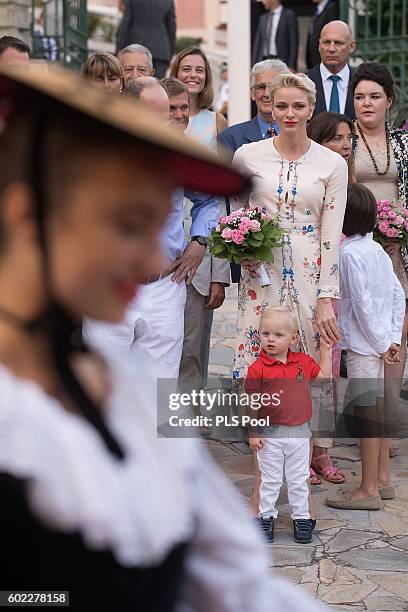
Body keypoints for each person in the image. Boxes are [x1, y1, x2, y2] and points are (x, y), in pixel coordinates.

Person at [0, 63, 327, 610]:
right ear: (27, 216)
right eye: (127, 223)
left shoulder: (124, 394)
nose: (155, 256)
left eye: (157, 227)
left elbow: (241, 587)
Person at [231, 73, 348, 494]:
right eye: (281, 105)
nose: (289, 114)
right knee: (259, 363)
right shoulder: (246, 155)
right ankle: (265, 467)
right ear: (269, 107)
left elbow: (331, 235)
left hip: (309, 270)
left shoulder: (333, 163)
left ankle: (312, 459)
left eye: (298, 106)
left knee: (310, 366)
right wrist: (240, 251)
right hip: (260, 276)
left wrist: (326, 298)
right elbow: (235, 215)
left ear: (310, 108)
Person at [84, 77, 218, 381]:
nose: (166, 122)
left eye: (167, 115)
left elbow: (208, 200)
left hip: (165, 285)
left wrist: (199, 241)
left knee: (160, 387)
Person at [327, 184, 405, 510]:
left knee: (366, 417)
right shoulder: (377, 251)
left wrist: (379, 342)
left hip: (363, 347)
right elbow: (398, 295)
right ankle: (382, 478)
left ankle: (367, 488)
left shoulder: (348, 254)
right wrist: (393, 340)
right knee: (378, 413)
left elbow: (360, 303)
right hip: (383, 341)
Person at [352, 62, 408, 458]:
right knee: (362, 338)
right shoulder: (344, 141)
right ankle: (366, 424)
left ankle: (387, 422)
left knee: (396, 333)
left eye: (374, 96)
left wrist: (399, 225)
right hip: (356, 248)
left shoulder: (403, 144)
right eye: (359, 97)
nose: (366, 103)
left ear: (389, 100)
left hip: (398, 249)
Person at [170, 47, 230, 388]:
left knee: (194, 343)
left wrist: (216, 265)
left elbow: (215, 199)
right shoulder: (154, 119)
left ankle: (186, 420)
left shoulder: (215, 123)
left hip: (199, 244)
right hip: (162, 244)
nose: (193, 75)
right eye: (185, 68)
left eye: (199, 69)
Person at [247, 306, 332, 543]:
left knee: (298, 479)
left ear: (292, 338)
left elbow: (323, 377)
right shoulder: (257, 369)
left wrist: (325, 350)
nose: (270, 339)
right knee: (270, 479)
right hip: (270, 436)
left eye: (278, 335)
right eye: (265, 334)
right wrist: (253, 432)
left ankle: (302, 518)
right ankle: (265, 517)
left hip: (299, 435)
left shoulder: (303, 362)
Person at [218, 58, 289, 286]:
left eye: (273, 85)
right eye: (260, 87)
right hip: (252, 255)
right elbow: (226, 201)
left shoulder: (305, 138)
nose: (266, 93)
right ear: (252, 93)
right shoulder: (231, 139)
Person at [306, 20, 356, 120]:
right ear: (319, 46)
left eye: (338, 43)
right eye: (326, 42)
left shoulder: (360, 81)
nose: (331, 49)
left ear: (352, 46)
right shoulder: (305, 81)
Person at [117, 0, 176, 78]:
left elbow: (125, 22)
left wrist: (120, 47)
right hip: (160, 51)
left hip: (136, 46)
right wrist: (170, 55)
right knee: (157, 85)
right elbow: (172, 28)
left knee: (133, 84)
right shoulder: (168, 1)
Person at [307, 111, 356, 184]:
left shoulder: (353, 185)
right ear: (317, 143)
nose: (348, 146)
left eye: (349, 138)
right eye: (337, 139)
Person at [252, 0, 299, 71]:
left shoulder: (289, 15)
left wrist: (291, 66)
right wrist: (253, 65)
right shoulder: (263, 18)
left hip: (281, 62)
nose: (262, 1)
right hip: (263, 60)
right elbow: (257, 44)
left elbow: (294, 43)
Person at [306, 0, 339, 70]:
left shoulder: (331, 7)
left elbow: (331, 33)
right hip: (314, 60)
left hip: (323, 60)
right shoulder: (318, 9)